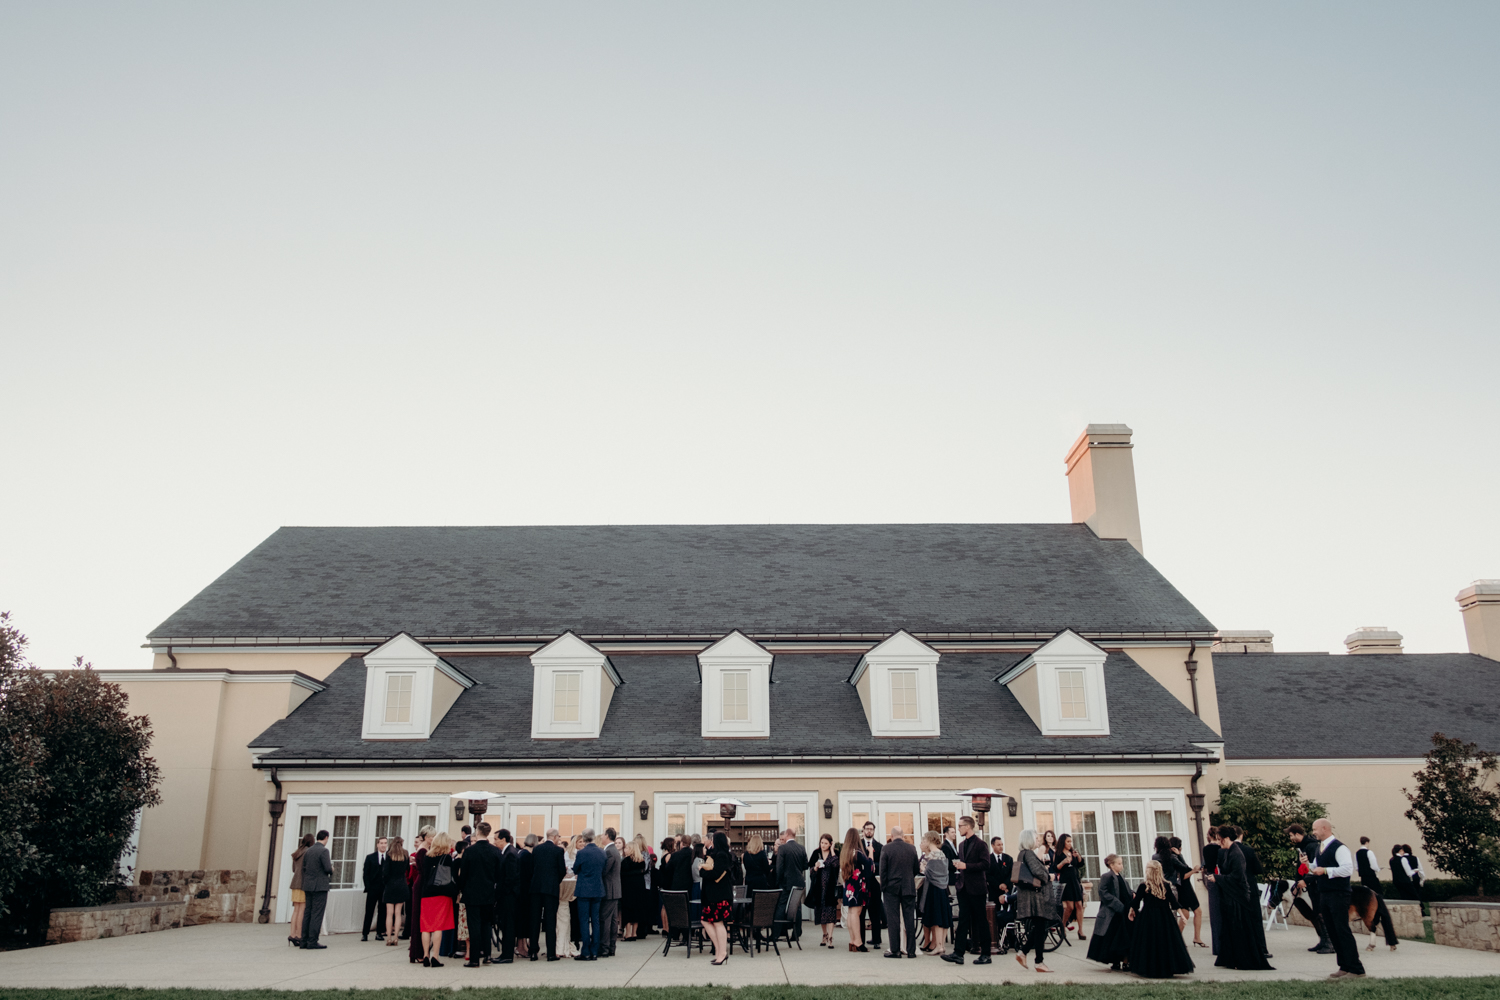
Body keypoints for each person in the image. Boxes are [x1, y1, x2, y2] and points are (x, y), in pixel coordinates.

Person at [1208, 825, 1273, 971]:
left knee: (1239, 929)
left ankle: (1242, 959)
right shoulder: (1227, 852)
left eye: (1220, 839)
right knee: (1230, 929)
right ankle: (1231, 957)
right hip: (1232, 895)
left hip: (1239, 897)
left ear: (1225, 839)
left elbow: (1237, 876)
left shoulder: (1236, 854)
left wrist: (1217, 878)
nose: (1219, 842)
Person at [1309, 818, 1366, 979]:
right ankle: (1344, 966)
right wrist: (1309, 866)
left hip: (1339, 894)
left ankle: (1356, 969)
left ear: (1325, 828)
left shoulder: (1339, 848)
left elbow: (1348, 869)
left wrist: (1326, 871)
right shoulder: (1320, 848)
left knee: (1342, 930)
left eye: (1315, 829)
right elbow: (1315, 867)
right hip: (1325, 894)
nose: (1313, 832)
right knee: (1333, 931)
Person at [1127, 860, 1194, 978]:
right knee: (1165, 942)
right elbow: (1174, 903)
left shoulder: (1144, 886)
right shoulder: (1165, 885)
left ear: (1150, 871)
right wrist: (1182, 916)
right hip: (1165, 917)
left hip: (1148, 918)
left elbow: (1136, 902)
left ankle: (1150, 968)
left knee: (1149, 942)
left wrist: (1131, 911)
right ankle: (1166, 967)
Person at [944, 815, 990, 965]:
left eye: (960, 826)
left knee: (981, 921)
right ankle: (958, 953)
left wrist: (966, 866)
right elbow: (963, 864)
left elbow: (985, 864)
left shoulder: (981, 844)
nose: (958, 829)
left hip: (977, 888)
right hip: (963, 887)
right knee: (963, 921)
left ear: (968, 827)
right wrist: (959, 867)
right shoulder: (961, 845)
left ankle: (986, 954)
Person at [1010, 829, 1053, 974]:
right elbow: (1037, 871)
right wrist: (1048, 876)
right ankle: (1038, 961)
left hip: (1029, 895)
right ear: (1029, 839)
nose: (1038, 840)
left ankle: (1024, 953)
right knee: (1040, 927)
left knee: (1038, 927)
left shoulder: (1022, 854)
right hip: (1035, 896)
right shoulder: (1028, 854)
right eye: (1036, 837)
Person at [458, 821, 500, 967]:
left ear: (477, 831)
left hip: (472, 893)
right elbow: (499, 874)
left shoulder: (470, 851)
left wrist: (461, 888)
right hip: (489, 892)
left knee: (474, 926)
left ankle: (475, 958)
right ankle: (487, 955)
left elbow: (463, 874)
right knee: (486, 924)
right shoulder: (495, 851)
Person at [1287, 823, 1334, 954]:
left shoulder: (1311, 846)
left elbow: (1315, 868)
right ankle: (1323, 941)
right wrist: (1297, 882)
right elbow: (1302, 868)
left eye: (1291, 835)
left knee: (1321, 914)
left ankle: (1329, 943)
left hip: (1316, 885)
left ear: (1297, 834)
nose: (1291, 838)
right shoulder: (1303, 847)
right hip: (1311, 886)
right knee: (1317, 914)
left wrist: (1305, 881)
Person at [418, 831, 458, 967]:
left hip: (426, 894)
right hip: (441, 894)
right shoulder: (446, 858)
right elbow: (451, 877)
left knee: (426, 927)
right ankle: (435, 956)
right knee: (438, 927)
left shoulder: (427, 857)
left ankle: (425, 955)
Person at [879, 826, 919, 959]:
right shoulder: (911, 848)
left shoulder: (886, 848)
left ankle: (895, 950)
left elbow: (882, 871)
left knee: (893, 920)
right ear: (903, 835)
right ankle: (911, 951)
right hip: (908, 887)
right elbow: (916, 869)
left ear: (891, 836)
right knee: (909, 919)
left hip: (891, 888)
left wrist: (883, 887)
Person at [1087, 853, 1132, 971]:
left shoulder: (1121, 876)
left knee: (1122, 937)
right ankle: (1115, 961)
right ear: (1111, 865)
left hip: (1123, 911)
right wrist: (1117, 904)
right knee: (1112, 937)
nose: (1121, 866)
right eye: (1119, 863)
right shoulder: (1107, 876)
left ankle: (1125, 960)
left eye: (1122, 863)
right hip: (1113, 913)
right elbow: (1103, 892)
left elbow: (1125, 890)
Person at [530, 828, 566, 962]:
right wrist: (555, 881)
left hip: (536, 888)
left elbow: (532, 867)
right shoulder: (558, 850)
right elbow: (562, 870)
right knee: (550, 920)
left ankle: (533, 951)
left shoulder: (537, 849)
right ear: (555, 837)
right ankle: (551, 953)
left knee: (535, 920)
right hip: (551, 889)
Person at [700, 832, 735, 965]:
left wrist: (702, 871)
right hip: (713, 895)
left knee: (718, 923)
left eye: (713, 840)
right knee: (707, 921)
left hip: (719, 894)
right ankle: (720, 950)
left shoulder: (722, 855)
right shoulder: (717, 854)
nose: (711, 842)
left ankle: (722, 952)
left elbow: (715, 874)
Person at [572, 829, 606, 961]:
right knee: (596, 920)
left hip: (584, 889)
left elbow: (575, 869)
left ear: (584, 839)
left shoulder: (582, 853)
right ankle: (595, 951)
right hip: (597, 889)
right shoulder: (602, 852)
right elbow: (603, 869)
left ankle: (585, 951)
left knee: (584, 920)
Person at [1166, 836, 1204, 948]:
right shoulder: (1173, 858)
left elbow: (1185, 868)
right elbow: (1182, 876)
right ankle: (1180, 938)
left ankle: (1187, 938)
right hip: (1183, 888)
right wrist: (1193, 871)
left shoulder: (1175, 857)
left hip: (1184, 888)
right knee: (1191, 913)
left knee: (1189, 913)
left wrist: (1180, 856)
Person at [839, 827, 873, 952]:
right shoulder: (858, 852)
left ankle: (852, 940)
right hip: (857, 885)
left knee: (851, 913)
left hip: (848, 885)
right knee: (856, 913)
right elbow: (869, 867)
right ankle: (858, 942)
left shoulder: (845, 851)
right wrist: (870, 852)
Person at [918, 832, 951, 955]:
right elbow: (944, 872)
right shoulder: (942, 854)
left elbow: (929, 873)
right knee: (943, 916)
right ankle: (941, 945)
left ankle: (938, 946)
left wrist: (923, 868)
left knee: (937, 918)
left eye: (924, 839)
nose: (923, 842)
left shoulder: (932, 855)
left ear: (929, 840)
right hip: (943, 888)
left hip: (933, 889)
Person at [300, 829, 333, 950]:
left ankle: (304, 940)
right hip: (319, 886)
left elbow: (304, 868)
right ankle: (312, 941)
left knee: (307, 913)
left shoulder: (308, 851)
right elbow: (327, 868)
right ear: (326, 838)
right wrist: (332, 869)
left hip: (308, 885)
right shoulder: (324, 851)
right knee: (317, 914)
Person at [493, 828, 521, 963]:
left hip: (508, 897)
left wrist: (502, 893)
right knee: (506, 925)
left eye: (496, 839)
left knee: (508, 926)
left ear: (503, 839)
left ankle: (507, 955)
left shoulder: (510, 854)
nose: (494, 842)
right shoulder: (507, 852)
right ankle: (505, 953)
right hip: (507, 896)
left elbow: (510, 877)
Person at [1053, 832, 1086, 941]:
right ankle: (1063, 925)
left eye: (1070, 841)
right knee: (1070, 907)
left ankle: (1080, 930)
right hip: (1066, 881)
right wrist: (1063, 862)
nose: (1070, 843)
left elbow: (1080, 864)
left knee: (1079, 905)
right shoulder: (1058, 854)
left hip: (1075, 880)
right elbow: (1055, 868)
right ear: (1063, 842)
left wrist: (1078, 857)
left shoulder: (1073, 852)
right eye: (1068, 841)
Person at [808, 832, 840, 947]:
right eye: (822, 842)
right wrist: (815, 867)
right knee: (821, 912)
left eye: (826, 843)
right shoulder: (816, 853)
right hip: (819, 888)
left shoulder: (835, 853)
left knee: (831, 912)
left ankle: (830, 937)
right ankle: (824, 934)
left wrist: (832, 850)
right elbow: (810, 871)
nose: (823, 845)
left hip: (830, 888)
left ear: (830, 844)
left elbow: (836, 865)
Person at [774, 827, 808, 931]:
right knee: (797, 907)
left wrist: (777, 882)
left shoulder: (783, 848)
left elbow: (779, 868)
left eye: (784, 835)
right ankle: (797, 932)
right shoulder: (801, 848)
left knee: (781, 905)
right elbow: (805, 866)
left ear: (787, 835)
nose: (782, 837)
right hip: (799, 881)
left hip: (786, 882)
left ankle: (777, 932)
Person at [860, 821, 885, 950]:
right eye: (867, 829)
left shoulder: (880, 847)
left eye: (871, 829)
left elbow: (883, 864)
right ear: (863, 830)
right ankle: (861, 940)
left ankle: (876, 939)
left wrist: (873, 866)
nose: (869, 831)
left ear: (874, 831)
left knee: (875, 912)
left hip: (875, 883)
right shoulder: (858, 845)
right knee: (861, 912)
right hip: (861, 882)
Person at [620, 837, 649, 941]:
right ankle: (634, 933)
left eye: (626, 848)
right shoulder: (641, 861)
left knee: (628, 909)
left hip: (628, 888)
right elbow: (643, 872)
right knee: (637, 909)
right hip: (639, 888)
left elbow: (622, 874)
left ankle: (627, 934)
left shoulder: (626, 861)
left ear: (631, 849)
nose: (624, 850)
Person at [382, 837, 409, 946]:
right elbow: (407, 868)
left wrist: (386, 882)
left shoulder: (389, 854)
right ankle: (396, 937)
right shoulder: (405, 854)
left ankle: (388, 938)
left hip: (390, 885)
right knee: (398, 914)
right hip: (402, 884)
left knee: (389, 913)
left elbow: (385, 872)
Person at [362, 836, 389, 941]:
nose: (383, 845)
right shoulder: (370, 857)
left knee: (382, 911)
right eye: (381, 843)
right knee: (369, 911)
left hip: (384, 889)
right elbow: (366, 874)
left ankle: (379, 933)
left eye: (385, 843)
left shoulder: (389, 857)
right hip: (373, 888)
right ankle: (365, 933)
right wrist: (368, 887)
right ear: (377, 844)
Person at [600, 827, 622, 958]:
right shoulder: (613, 850)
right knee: (613, 920)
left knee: (605, 920)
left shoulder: (609, 851)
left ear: (607, 836)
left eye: (603, 834)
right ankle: (611, 947)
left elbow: (605, 871)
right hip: (614, 890)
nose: (601, 836)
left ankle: (605, 948)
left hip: (610, 890)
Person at [288, 833, 312, 947]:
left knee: (296, 910)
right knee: (302, 910)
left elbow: (294, 869)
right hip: (303, 884)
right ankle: (298, 935)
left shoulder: (297, 852)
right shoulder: (308, 852)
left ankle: (292, 934)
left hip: (295, 883)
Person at [515, 834, 536, 958]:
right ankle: (521, 947)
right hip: (525, 891)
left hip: (520, 890)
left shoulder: (521, 854)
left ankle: (521, 945)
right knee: (523, 919)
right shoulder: (527, 856)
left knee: (521, 919)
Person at [1201, 825, 1222, 955]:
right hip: (1220, 877)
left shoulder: (1206, 849)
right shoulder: (1221, 849)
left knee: (1214, 913)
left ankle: (1217, 946)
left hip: (1210, 878)